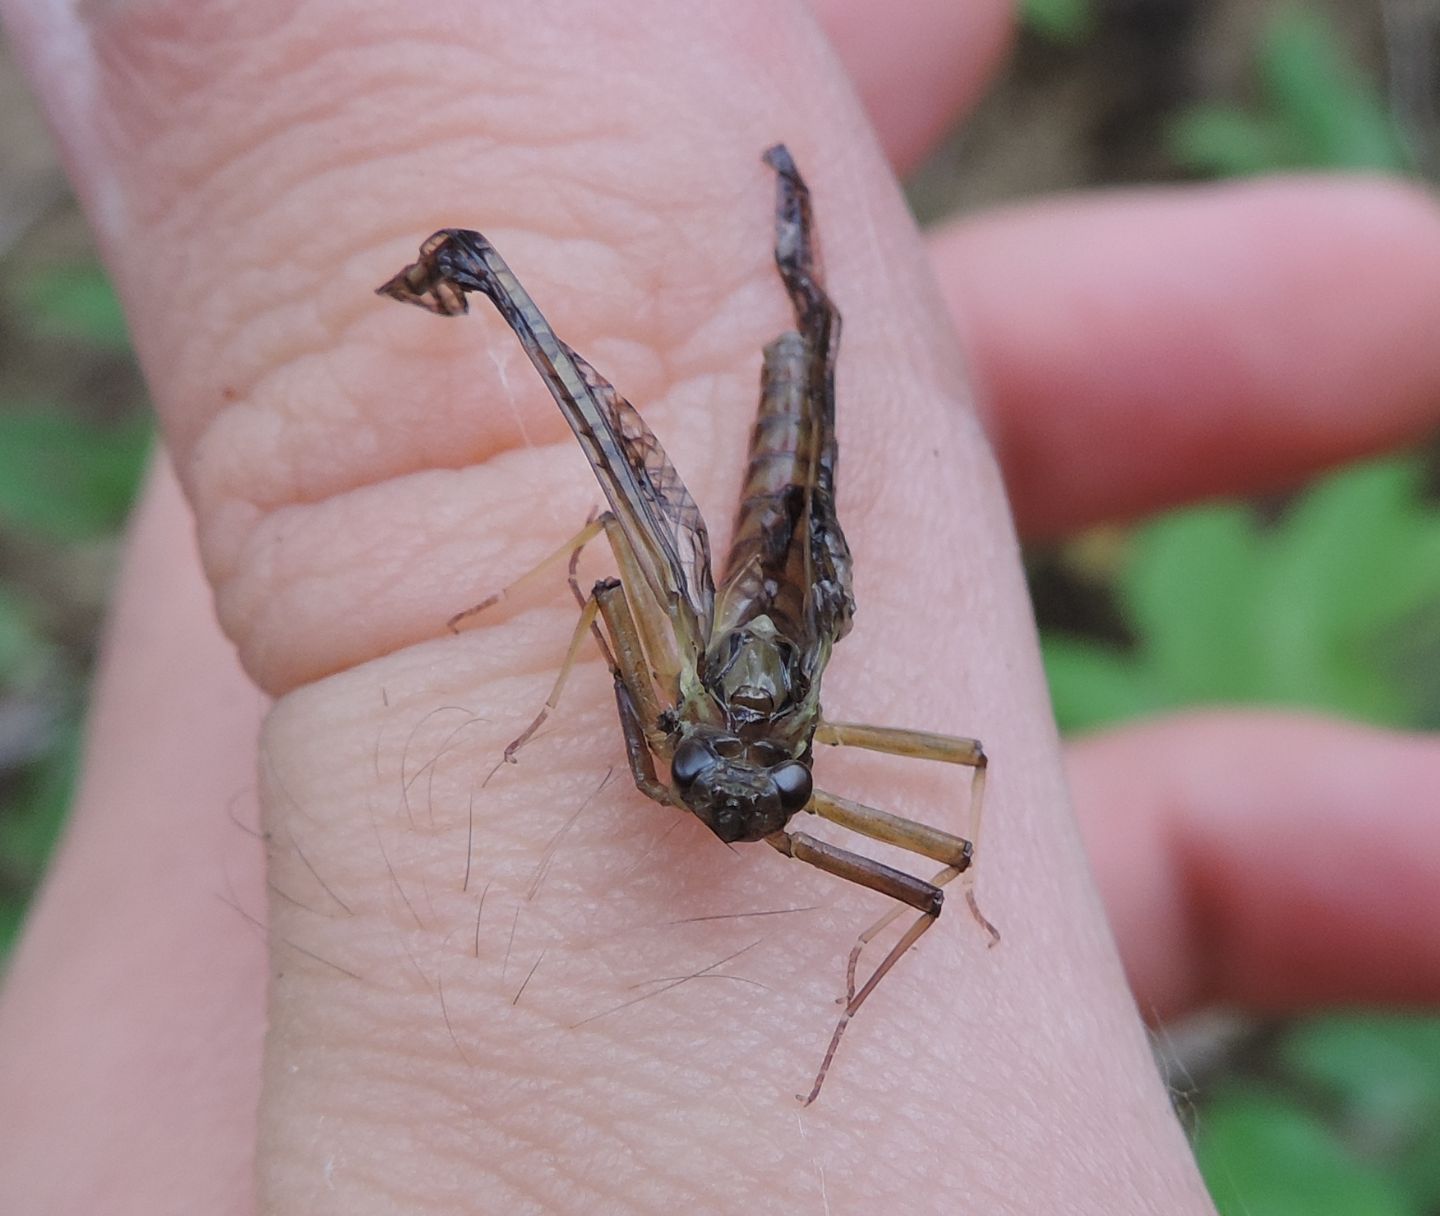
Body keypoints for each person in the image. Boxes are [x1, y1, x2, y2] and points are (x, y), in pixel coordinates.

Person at [3, 2, 1439, 1211]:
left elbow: (950, 816)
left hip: (775, 533)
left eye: (753, 787)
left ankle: (799, 291)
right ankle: (723, 285)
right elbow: (612, 583)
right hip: (746, 565)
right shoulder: (708, 699)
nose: (734, 815)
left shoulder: (741, 749)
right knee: (631, 523)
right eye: (726, 785)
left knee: (805, 388)